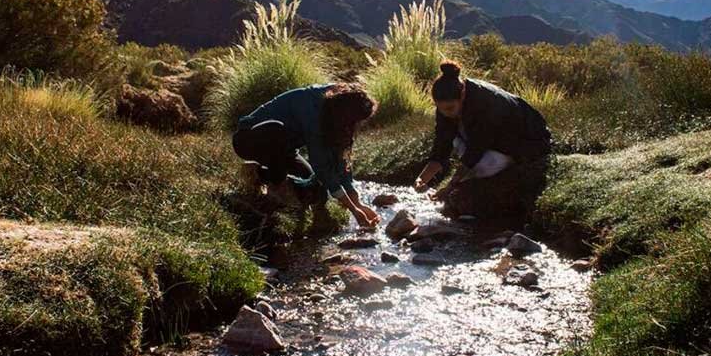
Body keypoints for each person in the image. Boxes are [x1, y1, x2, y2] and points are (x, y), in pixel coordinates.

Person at [414, 61, 552, 220]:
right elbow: (442, 145)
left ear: (463, 95)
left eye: (450, 108)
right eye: (441, 109)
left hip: (528, 141)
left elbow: (476, 149)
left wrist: (450, 187)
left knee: (482, 167)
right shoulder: (447, 105)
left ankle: (505, 169)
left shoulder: (487, 103)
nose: (446, 114)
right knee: (456, 144)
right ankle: (478, 173)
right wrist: (421, 179)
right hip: (491, 140)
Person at [232, 83, 382, 228]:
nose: (357, 126)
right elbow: (321, 166)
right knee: (276, 130)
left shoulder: (338, 107)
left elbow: (341, 162)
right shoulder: (313, 109)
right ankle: (275, 190)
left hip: (286, 151)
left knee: (316, 188)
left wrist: (358, 204)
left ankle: (258, 174)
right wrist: (354, 210)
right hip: (247, 140)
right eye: (356, 121)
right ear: (346, 115)